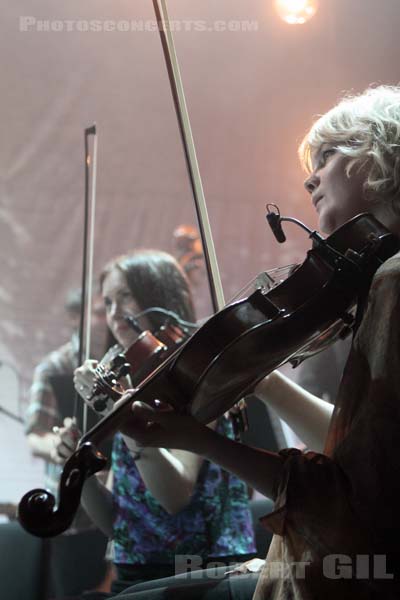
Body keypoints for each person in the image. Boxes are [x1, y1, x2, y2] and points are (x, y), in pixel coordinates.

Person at [111, 85, 400, 599]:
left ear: (382, 159)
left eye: (330, 154)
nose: (311, 177)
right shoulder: (378, 281)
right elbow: (358, 455)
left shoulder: (392, 282)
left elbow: (346, 498)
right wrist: (262, 382)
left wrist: (200, 440)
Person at [56, 249, 256, 596]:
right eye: (108, 302)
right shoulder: (131, 383)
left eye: (126, 296)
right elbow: (120, 526)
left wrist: (114, 410)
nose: (115, 312)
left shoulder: (196, 381)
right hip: (135, 572)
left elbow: (174, 496)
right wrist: (79, 469)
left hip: (199, 574)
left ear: (159, 296)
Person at [25, 288, 111, 598]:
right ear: (76, 318)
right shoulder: (54, 367)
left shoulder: (119, 363)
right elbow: (36, 435)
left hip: (117, 509)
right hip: (72, 512)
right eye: (100, 312)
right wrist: (60, 447)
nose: (108, 320)